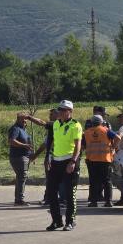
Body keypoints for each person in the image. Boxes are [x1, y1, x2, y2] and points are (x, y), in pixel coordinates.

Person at [45, 99, 83, 231]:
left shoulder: (75, 125)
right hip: (56, 161)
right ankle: (57, 221)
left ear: (70, 111)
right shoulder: (56, 124)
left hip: (69, 161)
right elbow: (54, 142)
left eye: (62, 110)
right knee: (51, 192)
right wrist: (49, 156)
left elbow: (78, 145)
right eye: (59, 109)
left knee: (69, 193)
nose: (59, 112)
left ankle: (70, 221)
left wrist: (73, 161)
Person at [26, 108, 65, 205]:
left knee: (53, 178)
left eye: (51, 115)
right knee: (53, 178)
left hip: (56, 156)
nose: (49, 117)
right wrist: (35, 155)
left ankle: (56, 199)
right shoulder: (56, 126)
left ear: (58, 115)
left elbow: (41, 122)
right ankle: (51, 198)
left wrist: (29, 117)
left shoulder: (56, 125)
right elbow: (45, 143)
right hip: (56, 156)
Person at [83, 114, 120, 207]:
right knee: (107, 181)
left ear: (92, 122)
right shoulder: (106, 130)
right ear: (101, 122)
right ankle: (108, 202)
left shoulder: (86, 132)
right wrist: (114, 147)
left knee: (93, 181)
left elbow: (83, 146)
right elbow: (118, 138)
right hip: (105, 160)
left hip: (91, 160)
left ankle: (93, 202)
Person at [84, 105, 111, 203]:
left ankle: (95, 199)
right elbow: (115, 137)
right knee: (104, 180)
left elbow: (83, 141)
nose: (105, 116)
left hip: (93, 158)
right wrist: (112, 146)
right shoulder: (103, 128)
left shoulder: (88, 130)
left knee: (95, 180)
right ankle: (102, 199)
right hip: (103, 158)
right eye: (103, 114)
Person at [8, 113, 34, 206]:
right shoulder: (15, 129)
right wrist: (24, 145)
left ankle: (19, 198)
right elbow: (11, 141)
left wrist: (30, 153)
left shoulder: (23, 129)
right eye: (23, 120)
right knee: (22, 177)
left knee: (21, 177)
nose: (25, 122)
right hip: (18, 157)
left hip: (24, 157)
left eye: (26, 121)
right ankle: (19, 200)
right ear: (18, 120)